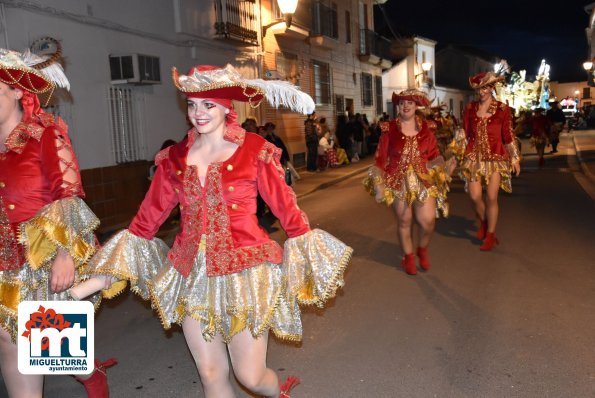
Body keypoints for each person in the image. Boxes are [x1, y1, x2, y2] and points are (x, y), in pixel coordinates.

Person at [70, 64, 353, 398]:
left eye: (208, 105)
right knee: (210, 373)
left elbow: (288, 212)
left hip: (246, 273)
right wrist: (94, 282)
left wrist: (310, 257)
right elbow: (144, 224)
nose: (198, 113)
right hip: (193, 276)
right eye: (191, 104)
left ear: (226, 107)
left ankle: (279, 393)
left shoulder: (254, 150)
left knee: (251, 377)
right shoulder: (174, 158)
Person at [0, 46, 116, 397]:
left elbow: (68, 191)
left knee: (50, 348)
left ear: (17, 90)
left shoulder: (45, 132)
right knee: (9, 337)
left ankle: (90, 374)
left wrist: (67, 252)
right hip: (4, 258)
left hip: (43, 254)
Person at [364, 89, 451, 275]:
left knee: (427, 221)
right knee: (405, 219)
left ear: (415, 106)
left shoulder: (427, 129)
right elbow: (380, 159)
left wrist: (443, 166)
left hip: (423, 179)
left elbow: (435, 155)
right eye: (402, 102)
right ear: (398, 106)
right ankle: (409, 257)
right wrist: (379, 185)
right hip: (397, 180)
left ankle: (422, 248)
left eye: (410, 103)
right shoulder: (389, 129)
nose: (405, 106)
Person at [456, 72, 521, 251]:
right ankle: (484, 222)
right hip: (474, 157)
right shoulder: (469, 108)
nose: (482, 91)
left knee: (491, 197)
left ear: (492, 88)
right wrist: (455, 155)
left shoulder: (502, 109)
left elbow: (508, 135)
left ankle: (491, 235)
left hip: (496, 158)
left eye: (485, 87)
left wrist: (514, 158)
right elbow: (465, 133)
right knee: (475, 196)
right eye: (479, 88)